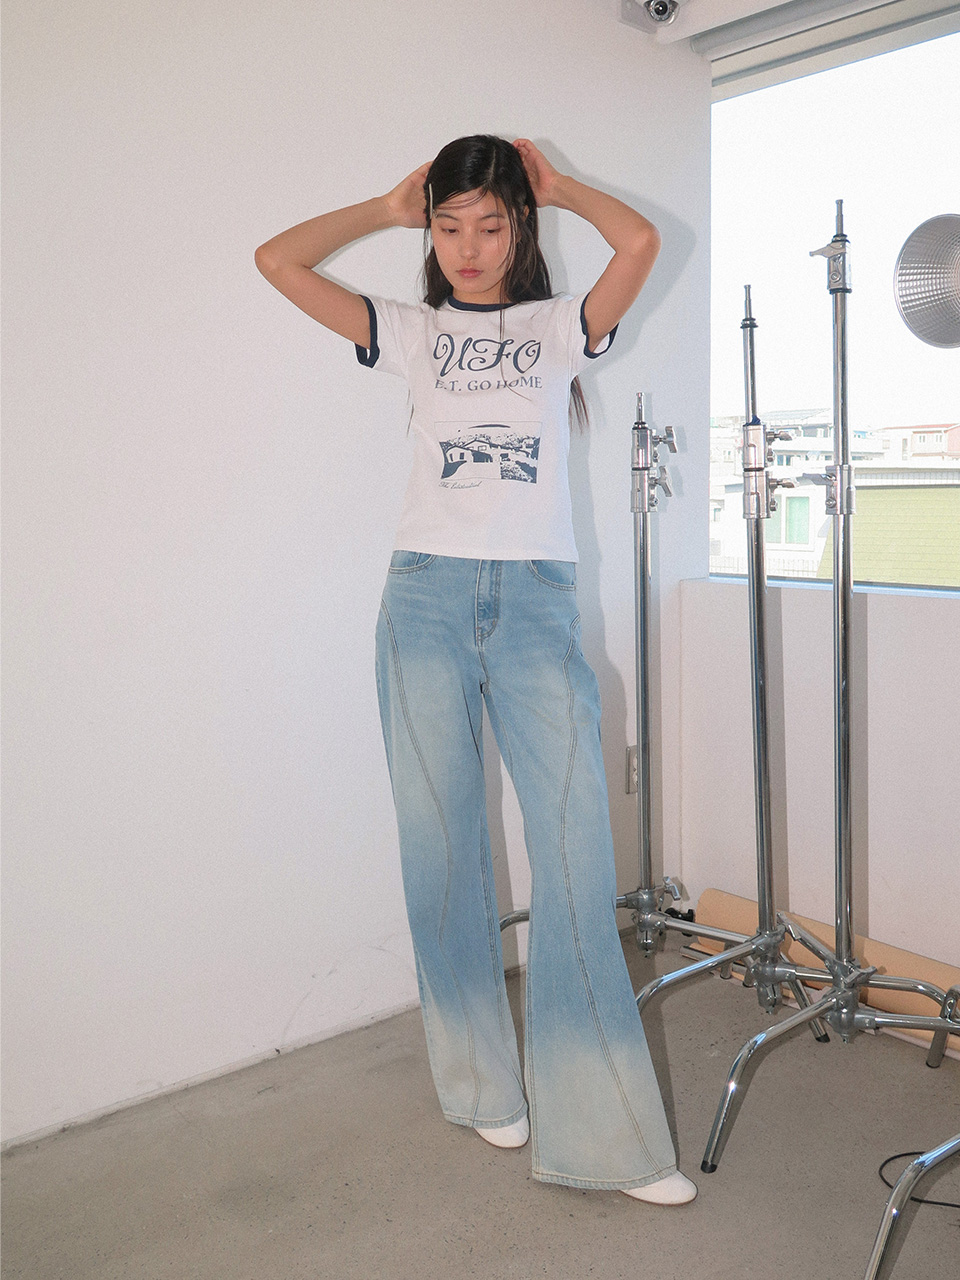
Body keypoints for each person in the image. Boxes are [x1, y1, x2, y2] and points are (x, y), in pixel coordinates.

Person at [255, 135, 696, 1205]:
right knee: (442, 849)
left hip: (536, 601)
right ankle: (477, 1082)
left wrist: (561, 185)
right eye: (448, 225)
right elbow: (277, 261)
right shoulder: (410, 331)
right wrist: (381, 207)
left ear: (519, 228)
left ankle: (608, 1134)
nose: (467, 246)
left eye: (489, 224)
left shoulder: (559, 327)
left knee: (574, 853)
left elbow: (639, 241)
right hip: (424, 601)